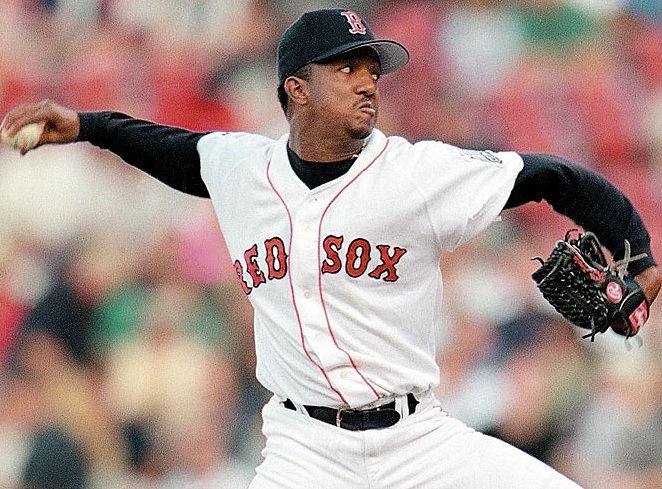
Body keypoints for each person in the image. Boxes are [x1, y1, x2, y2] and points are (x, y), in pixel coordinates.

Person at [2, 8, 660, 489]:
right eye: (347, 68)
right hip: (304, 451)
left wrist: (639, 258)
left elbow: (557, 177)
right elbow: (166, 147)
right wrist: (84, 126)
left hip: (419, 442)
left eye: (372, 70)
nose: (367, 82)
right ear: (296, 87)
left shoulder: (416, 173)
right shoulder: (241, 167)